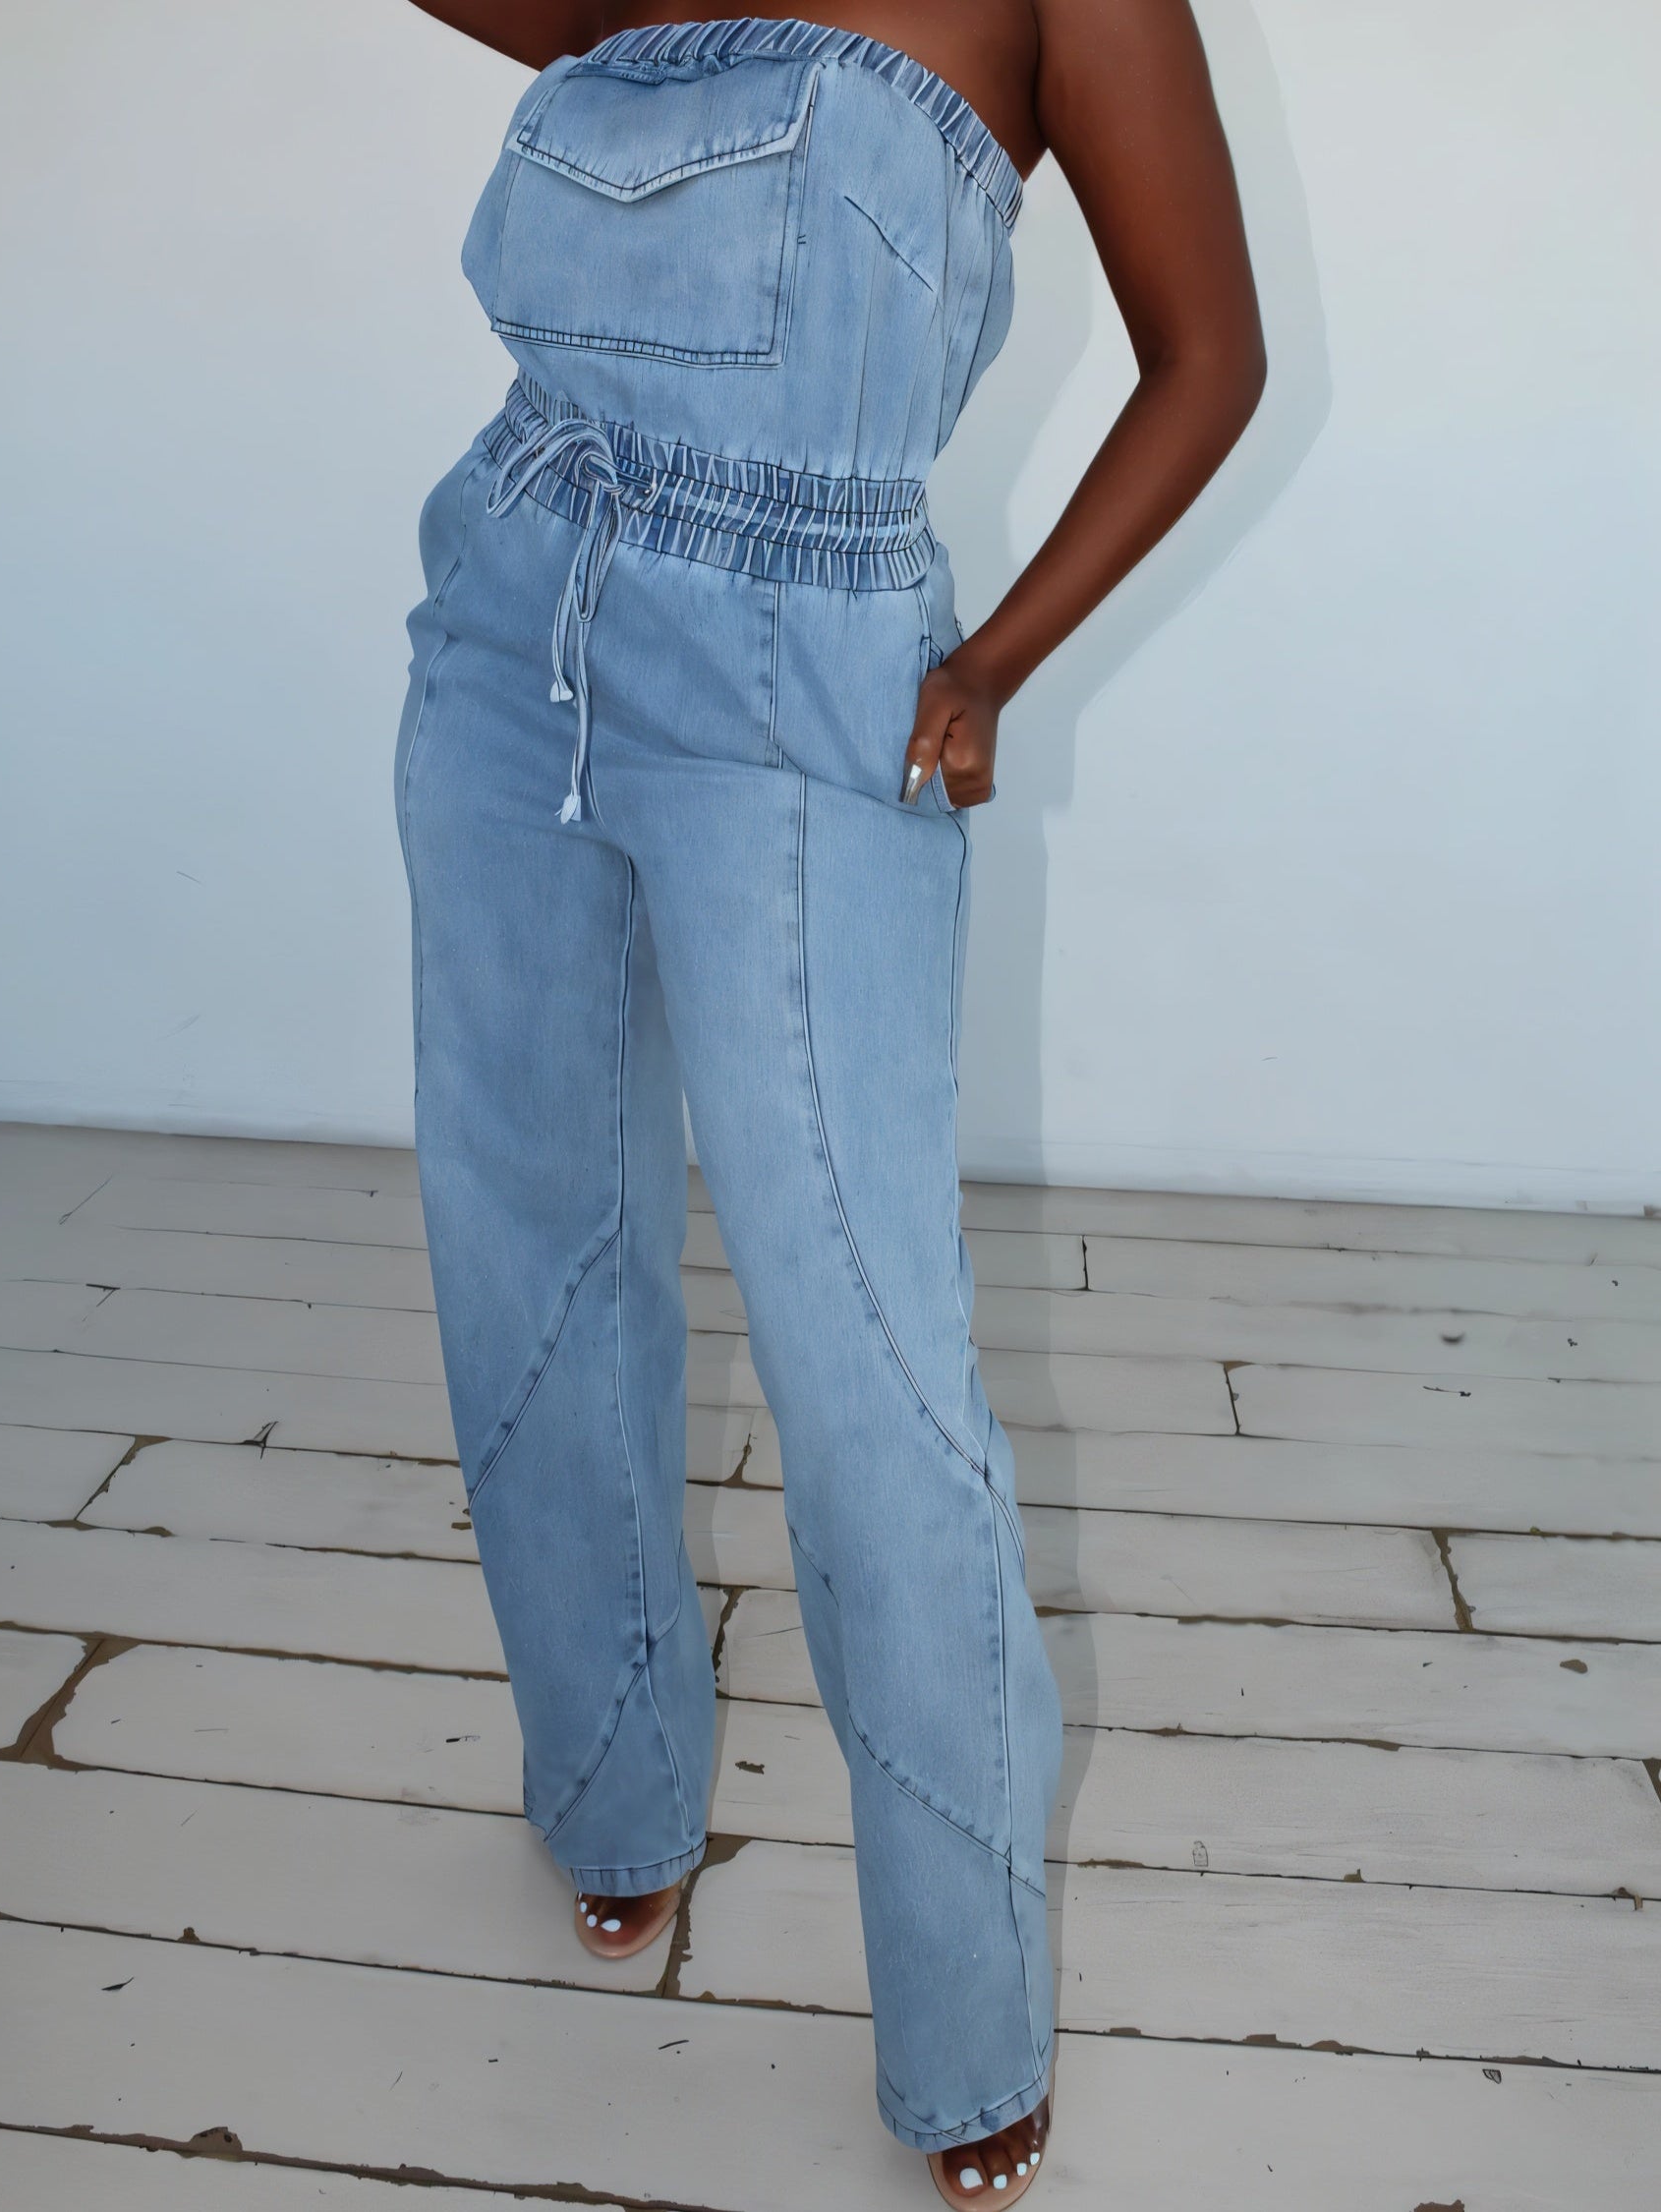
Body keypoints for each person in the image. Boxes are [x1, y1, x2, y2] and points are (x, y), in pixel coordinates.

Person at [393, 5, 1263, 2199]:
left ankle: (966, 2011)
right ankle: (611, 1789)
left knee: (868, 1353)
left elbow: (1211, 358)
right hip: (514, 615)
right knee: (523, 1235)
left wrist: (995, 664)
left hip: (809, 670)